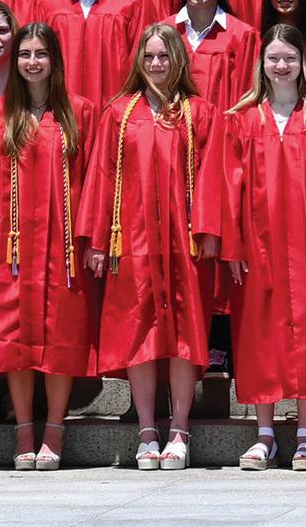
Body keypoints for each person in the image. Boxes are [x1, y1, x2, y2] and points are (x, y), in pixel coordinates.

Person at [79, 24, 224, 470]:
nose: (157, 64)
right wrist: (98, 239)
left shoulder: (200, 112)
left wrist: (209, 231)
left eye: (164, 55)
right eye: (149, 57)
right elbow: (101, 177)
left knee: (183, 334)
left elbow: (213, 175)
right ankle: (146, 428)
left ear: (179, 59)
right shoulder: (118, 113)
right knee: (136, 330)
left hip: (184, 242)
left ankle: (179, 427)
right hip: (132, 241)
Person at [0, 22, 94, 470]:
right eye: (25, 54)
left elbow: (95, 181)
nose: (32, 62)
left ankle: (55, 428)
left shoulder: (80, 112)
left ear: (55, 60)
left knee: (61, 335)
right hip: (14, 246)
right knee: (15, 338)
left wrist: (90, 238)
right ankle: (24, 428)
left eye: (41, 53)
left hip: (63, 248)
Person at [223, 23, 306, 471]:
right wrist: (233, 245)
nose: (281, 65)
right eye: (273, 58)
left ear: (303, 62)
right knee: (259, 332)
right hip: (257, 243)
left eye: (290, 57)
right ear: (262, 64)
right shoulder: (242, 118)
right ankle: (265, 434)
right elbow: (228, 186)